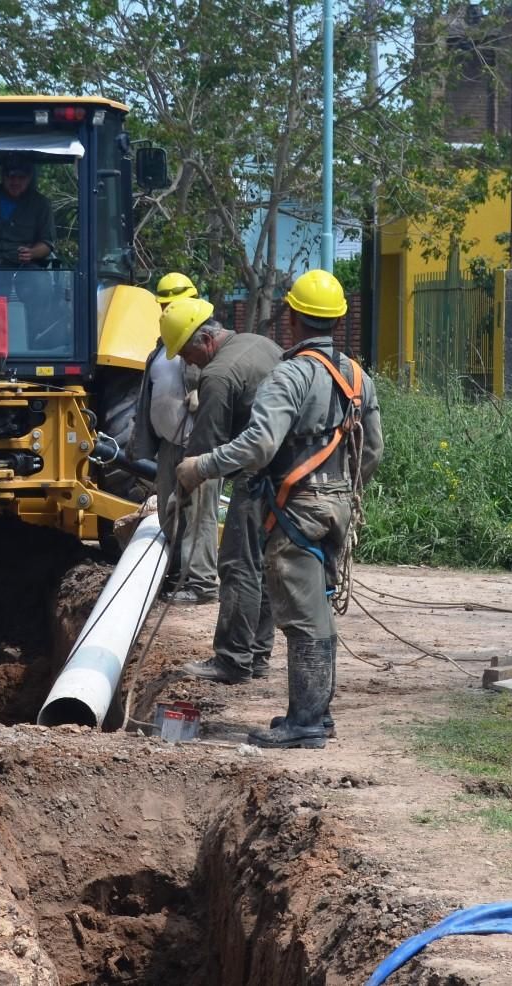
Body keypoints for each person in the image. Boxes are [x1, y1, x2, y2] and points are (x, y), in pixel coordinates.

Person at [176, 269, 383, 749]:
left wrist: (201, 466)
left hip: (296, 510)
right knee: (318, 608)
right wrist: (343, 494)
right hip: (336, 508)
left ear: (291, 319)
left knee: (304, 617)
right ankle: (315, 715)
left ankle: (306, 723)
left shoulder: (289, 375)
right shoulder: (357, 376)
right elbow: (371, 451)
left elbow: (259, 444)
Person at [159, 297, 283, 684]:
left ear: (206, 339)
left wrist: (181, 491)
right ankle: (257, 654)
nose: (189, 363)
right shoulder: (260, 343)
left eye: (188, 354)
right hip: (292, 475)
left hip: (257, 476)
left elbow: (203, 451)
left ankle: (232, 660)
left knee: (237, 566)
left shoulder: (218, 374)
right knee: (264, 566)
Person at [126, 273, 219, 604]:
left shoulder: (204, 345)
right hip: (168, 445)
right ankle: (178, 575)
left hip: (198, 445)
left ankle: (202, 584)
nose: (167, 311)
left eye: (172, 305)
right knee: (171, 513)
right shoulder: (161, 347)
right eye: (164, 305)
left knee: (199, 516)